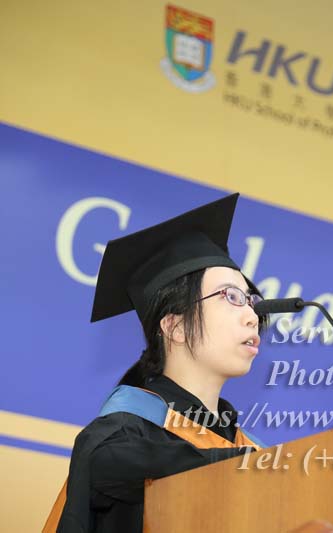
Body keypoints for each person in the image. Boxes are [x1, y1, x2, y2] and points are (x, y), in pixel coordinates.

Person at [43, 193, 268, 533]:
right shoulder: (120, 438)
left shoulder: (248, 446)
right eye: (231, 297)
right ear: (175, 327)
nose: (252, 316)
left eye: (251, 300)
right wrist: (264, 466)